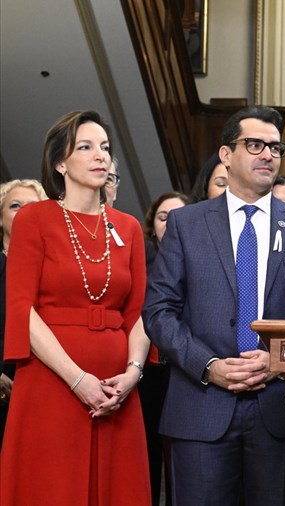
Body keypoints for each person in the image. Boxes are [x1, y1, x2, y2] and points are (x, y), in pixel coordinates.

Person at [144, 106, 285, 505]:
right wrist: (208, 366)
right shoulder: (186, 224)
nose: (267, 155)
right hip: (200, 407)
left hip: (280, 407)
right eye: (255, 144)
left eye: (275, 147)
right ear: (226, 154)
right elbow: (158, 311)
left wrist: (278, 360)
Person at [1, 110, 151, 504]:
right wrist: (76, 379)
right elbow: (21, 309)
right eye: (85, 147)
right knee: (51, 488)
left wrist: (132, 374)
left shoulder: (129, 227)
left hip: (117, 388)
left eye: (104, 147)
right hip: (51, 381)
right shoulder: (34, 219)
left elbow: (138, 314)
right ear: (60, 164)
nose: (100, 155)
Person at [141, 190, 190, 506]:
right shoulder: (140, 258)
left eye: (178, 218)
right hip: (145, 373)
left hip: (184, 370)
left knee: (179, 463)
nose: (170, 224)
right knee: (145, 457)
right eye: (163, 217)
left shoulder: (199, 258)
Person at [0, 179, 47, 449]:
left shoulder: (57, 271)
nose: (25, 213)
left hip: (48, 387)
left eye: (33, 206)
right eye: (15, 206)